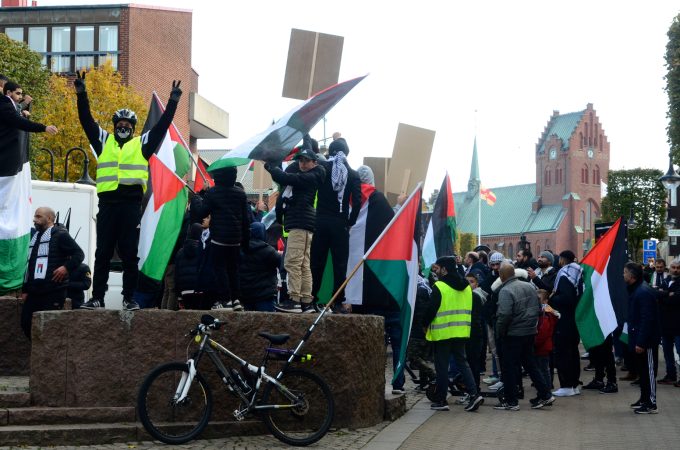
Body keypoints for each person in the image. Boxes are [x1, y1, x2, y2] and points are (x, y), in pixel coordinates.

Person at [74, 71, 182, 311]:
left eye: (128, 124)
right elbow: (86, 120)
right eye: (120, 124)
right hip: (108, 206)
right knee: (102, 253)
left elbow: (162, 127)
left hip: (131, 207)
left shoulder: (142, 144)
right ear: (114, 126)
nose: (123, 127)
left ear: (133, 127)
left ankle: (129, 298)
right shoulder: (104, 141)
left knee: (130, 255)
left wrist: (173, 102)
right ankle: (98, 298)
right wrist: (82, 95)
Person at [348, 165, 404, 394]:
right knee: (397, 339)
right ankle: (398, 383)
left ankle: (366, 383)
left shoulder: (348, 203)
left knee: (367, 342)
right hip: (385, 287)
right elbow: (394, 229)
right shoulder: (379, 201)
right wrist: (402, 206)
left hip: (360, 291)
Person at [265, 148, 326, 312]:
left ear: (314, 162)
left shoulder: (308, 177)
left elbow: (284, 177)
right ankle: (305, 300)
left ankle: (294, 300)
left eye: (306, 160)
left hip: (299, 223)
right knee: (303, 264)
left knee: (292, 262)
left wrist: (270, 166)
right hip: (304, 224)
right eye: (300, 160)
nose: (303, 164)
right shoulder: (314, 174)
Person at [424, 256, 484, 412]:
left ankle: (441, 399)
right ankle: (473, 393)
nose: (436, 272)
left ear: (445, 269)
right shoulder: (466, 287)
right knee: (463, 363)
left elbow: (431, 310)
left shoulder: (439, 286)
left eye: (437, 269)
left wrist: (424, 324)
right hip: (461, 331)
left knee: (442, 367)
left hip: (443, 332)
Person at [309, 136, 361, 311]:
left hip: (321, 221)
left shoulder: (322, 168)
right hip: (340, 224)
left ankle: (311, 297)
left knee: (317, 262)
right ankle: (337, 301)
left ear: (330, 151)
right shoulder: (353, 173)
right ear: (346, 153)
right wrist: (349, 222)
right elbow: (358, 203)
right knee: (340, 264)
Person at [494, 263, 554, 410]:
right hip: (530, 332)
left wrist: (499, 331)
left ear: (501, 276)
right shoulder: (529, 286)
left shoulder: (505, 290)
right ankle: (545, 394)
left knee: (509, 367)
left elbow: (505, 315)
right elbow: (538, 308)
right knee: (530, 364)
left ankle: (511, 401)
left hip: (513, 333)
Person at [190, 166, 250, 310]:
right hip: (235, 239)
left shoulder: (213, 193)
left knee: (220, 269)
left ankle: (226, 299)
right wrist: (245, 242)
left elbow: (201, 212)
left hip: (219, 239)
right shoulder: (241, 194)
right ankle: (236, 300)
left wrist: (199, 196)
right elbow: (246, 220)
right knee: (233, 270)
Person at [22, 207, 84, 339]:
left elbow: (79, 254)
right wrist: (25, 289)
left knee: (48, 328)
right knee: (25, 322)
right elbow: (31, 264)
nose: (34, 220)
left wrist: (66, 268)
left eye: (38, 217)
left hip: (53, 290)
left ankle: (46, 357)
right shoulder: (36, 236)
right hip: (34, 291)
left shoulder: (60, 235)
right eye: (35, 216)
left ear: (49, 218)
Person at [624, 262, 661, 414]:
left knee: (649, 371)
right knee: (643, 372)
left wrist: (641, 341)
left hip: (646, 341)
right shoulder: (637, 290)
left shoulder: (643, 292)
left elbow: (647, 319)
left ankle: (651, 403)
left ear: (632, 275)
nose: (623, 275)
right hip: (639, 338)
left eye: (625, 272)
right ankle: (644, 398)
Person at [549, 250, 583, 397]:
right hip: (574, 319)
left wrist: (552, 298)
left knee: (563, 353)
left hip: (564, 319)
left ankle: (567, 385)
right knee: (573, 353)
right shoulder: (579, 273)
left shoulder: (565, 275)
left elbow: (566, 298)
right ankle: (574, 383)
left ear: (562, 260)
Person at [239, 222, 281, 312]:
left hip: (245, 294)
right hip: (265, 295)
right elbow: (282, 265)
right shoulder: (269, 251)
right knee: (268, 323)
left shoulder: (240, 250)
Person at [657, 258, 680, 386]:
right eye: (674, 268)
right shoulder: (665, 281)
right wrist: (668, 295)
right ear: (669, 268)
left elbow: (677, 299)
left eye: (678, 268)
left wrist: (664, 296)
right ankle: (671, 375)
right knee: (667, 352)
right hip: (665, 324)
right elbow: (657, 296)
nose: (676, 270)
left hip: (678, 324)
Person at [534, 289, 559, 391]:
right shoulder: (546, 312)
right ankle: (545, 386)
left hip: (543, 345)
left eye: (538, 299)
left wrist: (535, 342)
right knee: (544, 367)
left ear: (545, 301)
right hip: (544, 344)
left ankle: (546, 388)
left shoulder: (545, 314)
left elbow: (543, 332)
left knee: (544, 368)